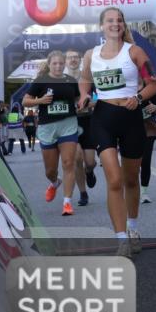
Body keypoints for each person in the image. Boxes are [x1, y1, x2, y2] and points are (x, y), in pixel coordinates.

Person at [78, 7, 156, 256]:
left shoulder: (134, 52)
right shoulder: (91, 55)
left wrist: (138, 97)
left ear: (124, 25)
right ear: (102, 26)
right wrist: (84, 96)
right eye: (110, 20)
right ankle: (121, 238)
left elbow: (152, 84)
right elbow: (84, 79)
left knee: (131, 179)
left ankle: (132, 228)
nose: (115, 24)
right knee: (114, 180)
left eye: (119, 20)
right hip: (103, 118)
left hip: (131, 117)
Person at [23, 51, 82, 216]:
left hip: (68, 124)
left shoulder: (70, 80)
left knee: (68, 163)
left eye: (61, 63)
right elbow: (25, 101)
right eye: (55, 63)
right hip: (47, 127)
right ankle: (55, 182)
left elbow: (77, 99)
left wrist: (83, 103)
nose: (58, 66)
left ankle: (67, 202)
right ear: (49, 64)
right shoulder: (40, 81)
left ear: (65, 64)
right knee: (50, 171)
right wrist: (40, 101)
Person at [64, 48, 93, 203]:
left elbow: (99, 97)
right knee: (77, 158)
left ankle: (90, 171)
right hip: (70, 123)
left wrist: (89, 103)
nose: (73, 60)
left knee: (90, 162)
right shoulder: (61, 80)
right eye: (70, 58)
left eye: (76, 57)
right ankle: (83, 193)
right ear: (65, 61)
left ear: (80, 60)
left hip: (88, 121)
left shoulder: (88, 77)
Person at [138, 94, 156, 204]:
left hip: (148, 128)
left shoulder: (151, 89)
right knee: (132, 162)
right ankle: (132, 189)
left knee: (146, 161)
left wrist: (155, 108)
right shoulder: (126, 87)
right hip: (129, 128)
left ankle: (144, 192)